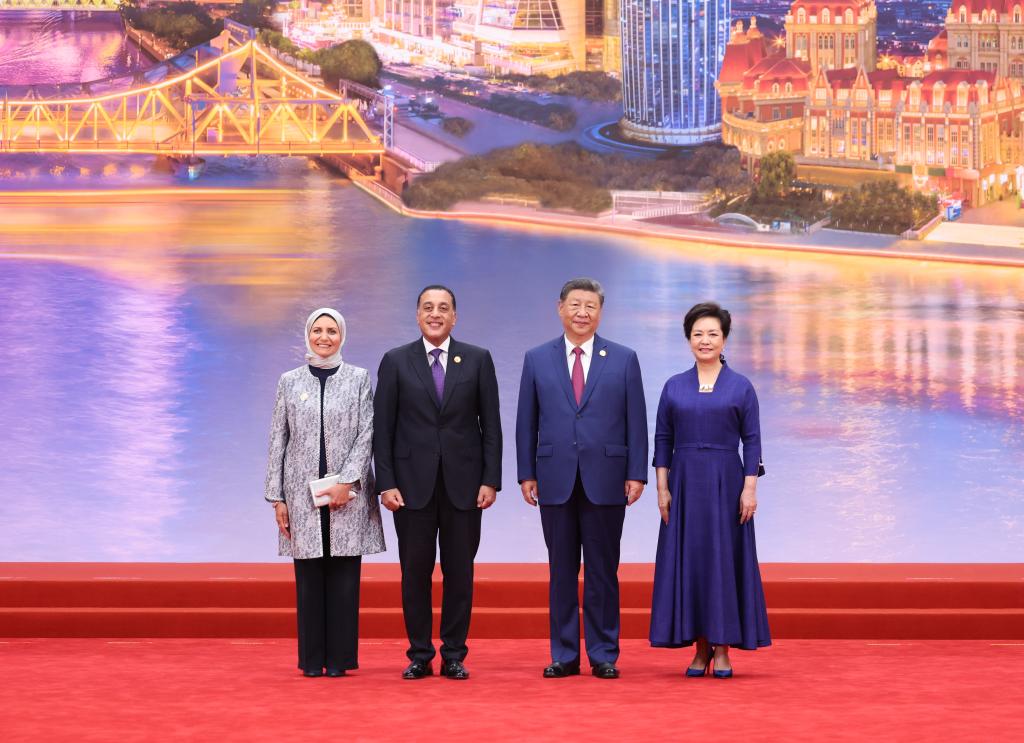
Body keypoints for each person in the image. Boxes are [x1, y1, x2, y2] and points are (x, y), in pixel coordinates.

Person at [516, 278, 648, 680]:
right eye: (575, 304)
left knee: (603, 570)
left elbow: (637, 421)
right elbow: (526, 421)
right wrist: (526, 473)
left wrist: (637, 473)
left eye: (590, 306)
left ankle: (603, 652)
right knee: (561, 570)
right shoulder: (537, 358)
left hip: (607, 478)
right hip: (554, 477)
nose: (582, 312)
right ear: (560, 308)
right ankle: (565, 654)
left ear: (600, 312)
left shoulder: (624, 358)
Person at [373, 285, 502, 681]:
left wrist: (490, 479)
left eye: (443, 308)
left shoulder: (478, 359)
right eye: (428, 307)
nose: (435, 314)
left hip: (465, 486)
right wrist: (386, 483)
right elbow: (383, 429)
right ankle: (419, 654)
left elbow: (491, 426)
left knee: (460, 572)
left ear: (454, 317)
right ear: (417, 315)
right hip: (411, 488)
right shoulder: (396, 361)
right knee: (415, 573)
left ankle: (453, 654)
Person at [649, 302, 771, 678]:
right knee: (692, 561)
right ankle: (699, 649)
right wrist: (662, 489)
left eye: (712, 334)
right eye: (698, 334)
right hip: (684, 484)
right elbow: (663, 440)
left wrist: (749, 489)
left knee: (723, 560)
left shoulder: (741, 386)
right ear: (688, 339)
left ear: (725, 339)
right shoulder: (674, 385)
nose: (705, 340)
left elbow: (752, 441)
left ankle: (723, 649)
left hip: (727, 482)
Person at [264, 308, 384, 677]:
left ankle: (340, 659)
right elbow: (278, 439)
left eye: (332, 330)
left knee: (345, 576)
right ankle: (312, 659)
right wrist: (277, 497)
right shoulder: (289, 381)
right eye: (318, 330)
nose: (324, 337)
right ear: (308, 335)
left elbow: (367, 432)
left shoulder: (358, 378)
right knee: (309, 577)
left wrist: (347, 481)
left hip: (348, 494)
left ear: (342, 336)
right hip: (300, 494)